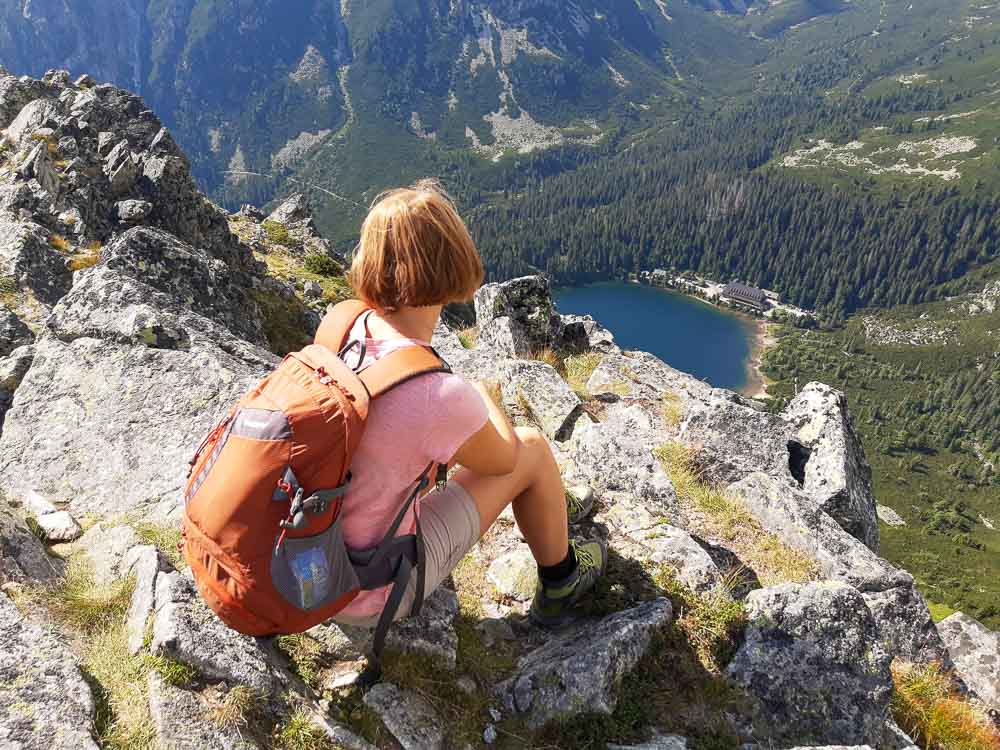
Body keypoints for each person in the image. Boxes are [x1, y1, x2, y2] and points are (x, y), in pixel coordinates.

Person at [329, 179, 607, 631]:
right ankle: (562, 581)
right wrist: (482, 395)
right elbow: (504, 459)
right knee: (533, 450)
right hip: (366, 589)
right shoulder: (436, 393)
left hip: (310, 557)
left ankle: (550, 509)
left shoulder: (342, 324)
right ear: (453, 262)